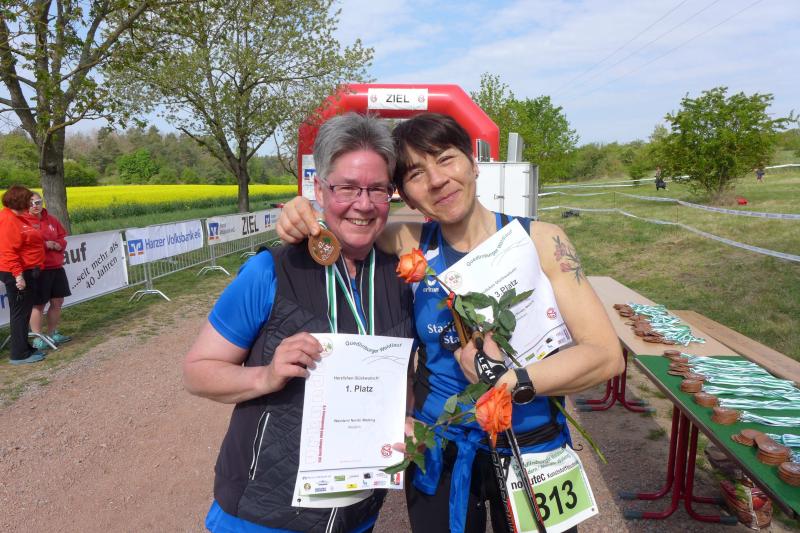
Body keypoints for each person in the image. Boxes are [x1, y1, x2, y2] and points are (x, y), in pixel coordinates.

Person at [277, 112, 624, 533]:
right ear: (405, 195)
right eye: (416, 173)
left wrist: (508, 381)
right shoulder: (406, 242)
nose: (437, 180)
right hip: (440, 447)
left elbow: (605, 356)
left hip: (533, 446)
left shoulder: (541, 242)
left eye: (446, 158)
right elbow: (343, 228)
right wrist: (304, 214)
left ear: (474, 164)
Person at [183, 113, 415, 533]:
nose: (363, 204)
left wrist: (407, 416)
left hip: (357, 513)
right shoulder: (270, 270)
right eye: (347, 187)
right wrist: (265, 376)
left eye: (377, 189)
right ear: (319, 190)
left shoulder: (400, 278)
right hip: (262, 516)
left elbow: (403, 376)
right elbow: (197, 372)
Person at [0, 185, 46, 365]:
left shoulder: (17, 217)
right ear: (20, 201)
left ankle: (24, 347)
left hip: (27, 269)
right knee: (20, 313)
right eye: (28, 199)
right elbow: (8, 251)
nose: (31, 203)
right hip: (16, 272)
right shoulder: (8, 220)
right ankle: (18, 354)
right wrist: (18, 276)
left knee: (24, 311)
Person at [27, 192, 72, 349]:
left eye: (38, 202)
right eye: (31, 203)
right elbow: (25, 244)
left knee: (57, 301)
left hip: (56, 266)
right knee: (38, 304)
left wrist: (59, 244)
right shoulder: (24, 222)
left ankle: (53, 333)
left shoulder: (51, 219)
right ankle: (37, 338)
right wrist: (45, 245)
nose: (35, 206)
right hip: (39, 268)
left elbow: (62, 237)